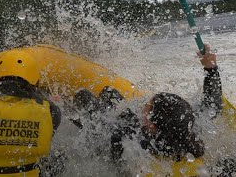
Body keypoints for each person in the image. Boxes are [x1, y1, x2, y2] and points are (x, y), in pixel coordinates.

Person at [73, 44, 223, 171]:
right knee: (109, 92)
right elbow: (213, 104)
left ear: (149, 123)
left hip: (117, 144)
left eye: (147, 105)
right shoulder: (189, 126)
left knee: (85, 95)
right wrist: (211, 68)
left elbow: (94, 128)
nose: (144, 105)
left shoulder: (132, 137)